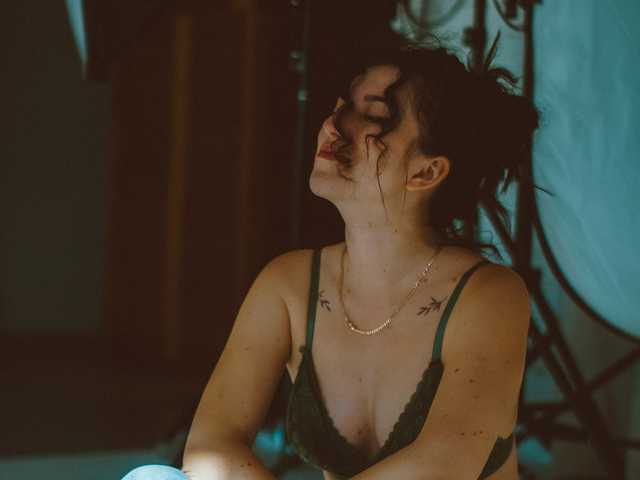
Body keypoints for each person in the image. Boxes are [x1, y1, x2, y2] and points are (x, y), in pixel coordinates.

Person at [181, 33, 539, 480]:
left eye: (371, 115)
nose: (332, 125)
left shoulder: (488, 295)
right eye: (340, 106)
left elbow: (444, 463)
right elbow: (210, 447)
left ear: (427, 171)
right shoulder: (288, 284)